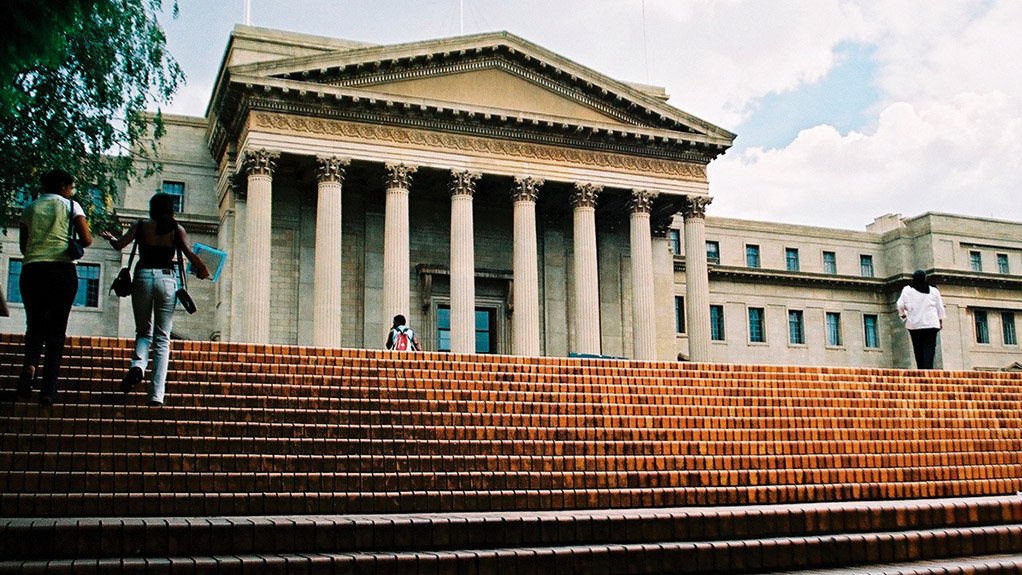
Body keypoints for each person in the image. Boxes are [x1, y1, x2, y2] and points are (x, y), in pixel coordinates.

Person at [100, 193, 209, 406]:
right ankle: (156, 395)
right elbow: (188, 253)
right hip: (167, 280)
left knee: (143, 331)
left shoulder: (141, 226)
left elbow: (120, 244)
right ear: (170, 209)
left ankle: (138, 366)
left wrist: (111, 238)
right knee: (162, 338)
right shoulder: (177, 229)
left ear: (152, 208)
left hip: (142, 277)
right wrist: (203, 268)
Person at [16, 169, 92, 405]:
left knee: (35, 325)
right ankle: (48, 389)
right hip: (62, 271)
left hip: (32, 270)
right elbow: (87, 239)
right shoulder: (71, 206)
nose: (72, 191)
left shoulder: (31, 208)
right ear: (62, 187)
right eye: (71, 187)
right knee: (57, 332)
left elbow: (23, 246)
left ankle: (30, 366)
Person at [897, 269, 946, 370]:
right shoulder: (933, 290)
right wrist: (940, 321)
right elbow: (939, 307)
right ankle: (928, 370)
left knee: (918, 348)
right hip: (931, 323)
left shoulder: (907, 290)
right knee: (929, 347)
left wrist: (903, 315)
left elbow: (900, 305)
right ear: (925, 278)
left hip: (914, 324)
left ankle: (920, 370)